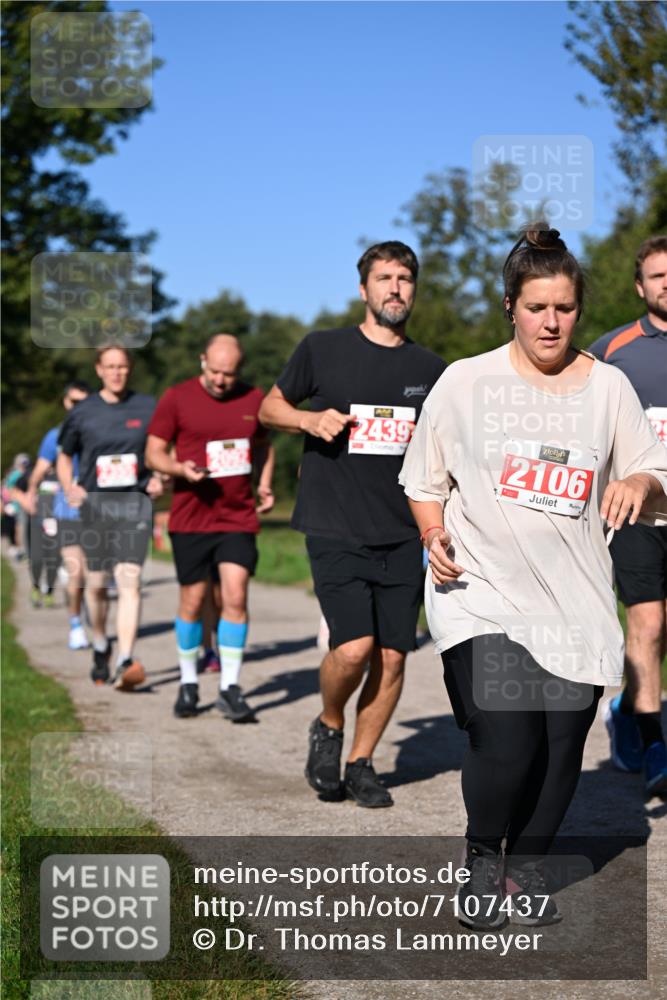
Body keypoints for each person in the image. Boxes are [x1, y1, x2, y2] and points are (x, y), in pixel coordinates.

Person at [400, 224, 667, 927]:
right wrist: (432, 531)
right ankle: (482, 862)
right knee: (508, 731)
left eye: (564, 308)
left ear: (579, 309)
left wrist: (639, 484)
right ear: (510, 307)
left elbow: (655, 471)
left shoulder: (607, 387)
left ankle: (524, 873)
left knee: (559, 748)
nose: (550, 321)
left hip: (574, 600)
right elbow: (422, 479)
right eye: (535, 307)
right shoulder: (465, 382)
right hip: (478, 592)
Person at [259, 241, 446, 807]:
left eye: (405, 278)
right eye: (384, 278)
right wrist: (308, 419)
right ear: (363, 289)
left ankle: (362, 763)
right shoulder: (322, 349)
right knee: (353, 648)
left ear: (414, 288)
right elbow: (269, 409)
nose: (395, 288)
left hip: (400, 531)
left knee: (392, 655)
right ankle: (330, 722)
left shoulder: (431, 370)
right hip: (335, 523)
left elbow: (442, 452)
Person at [145, 334, 275, 720]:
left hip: (237, 517)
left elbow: (264, 446)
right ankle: (188, 682)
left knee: (235, 597)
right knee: (193, 601)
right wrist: (178, 468)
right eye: (215, 371)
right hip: (191, 517)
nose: (221, 380)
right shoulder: (176, 397)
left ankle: (230, 687)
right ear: (203, 360)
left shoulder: (254, 399)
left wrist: (264, 482)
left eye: (229, 374)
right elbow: (153, 450)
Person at [588, 236, 667, 798]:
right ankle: (654, 743)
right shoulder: (611, 349)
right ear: (640, 287)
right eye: (657, 276)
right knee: (649, 622)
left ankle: (622, 705)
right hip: (638, 515)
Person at [57, 345, 163, 689]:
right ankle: (101, 643)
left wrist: (161, 476)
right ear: (99, 370)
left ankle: (126, 658)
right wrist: (68, 486)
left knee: (130, 582)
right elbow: (64, 455)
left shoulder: (148, 406)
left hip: (133, 504)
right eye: (110, 367)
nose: (117, 373)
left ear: (129, 369)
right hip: (94, 507)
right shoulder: (83, 412)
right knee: (98, 584)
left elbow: (163, 449)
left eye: (122, 366)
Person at [24, 381, 91, 644]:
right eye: (74, 402)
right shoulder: (56, 435)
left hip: (98, 513)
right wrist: (31, 492)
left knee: (96, 577)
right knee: (77, 572)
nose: (79, 408)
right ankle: (75, 624)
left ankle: (91, 620)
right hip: (68, 513)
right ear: (65, 403)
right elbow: (39, 471)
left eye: (84, 402)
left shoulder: (100, 431)